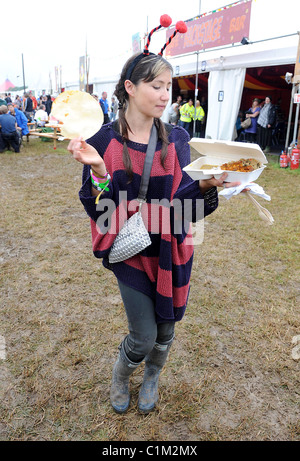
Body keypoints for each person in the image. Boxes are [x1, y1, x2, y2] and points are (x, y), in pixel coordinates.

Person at [67, 18, 242, 416]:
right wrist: (98, 172)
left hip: (171, 246)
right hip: (129, 248)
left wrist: (207, 185)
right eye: (156, 86)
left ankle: (152, 377)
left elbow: (185, 205)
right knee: (143, 335)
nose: (165, 95)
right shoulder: (103, 142)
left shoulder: (177, 140)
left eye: (168, 87)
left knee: (167, 328)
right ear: (130, 87)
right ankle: (121, 372)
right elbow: (100, 210)